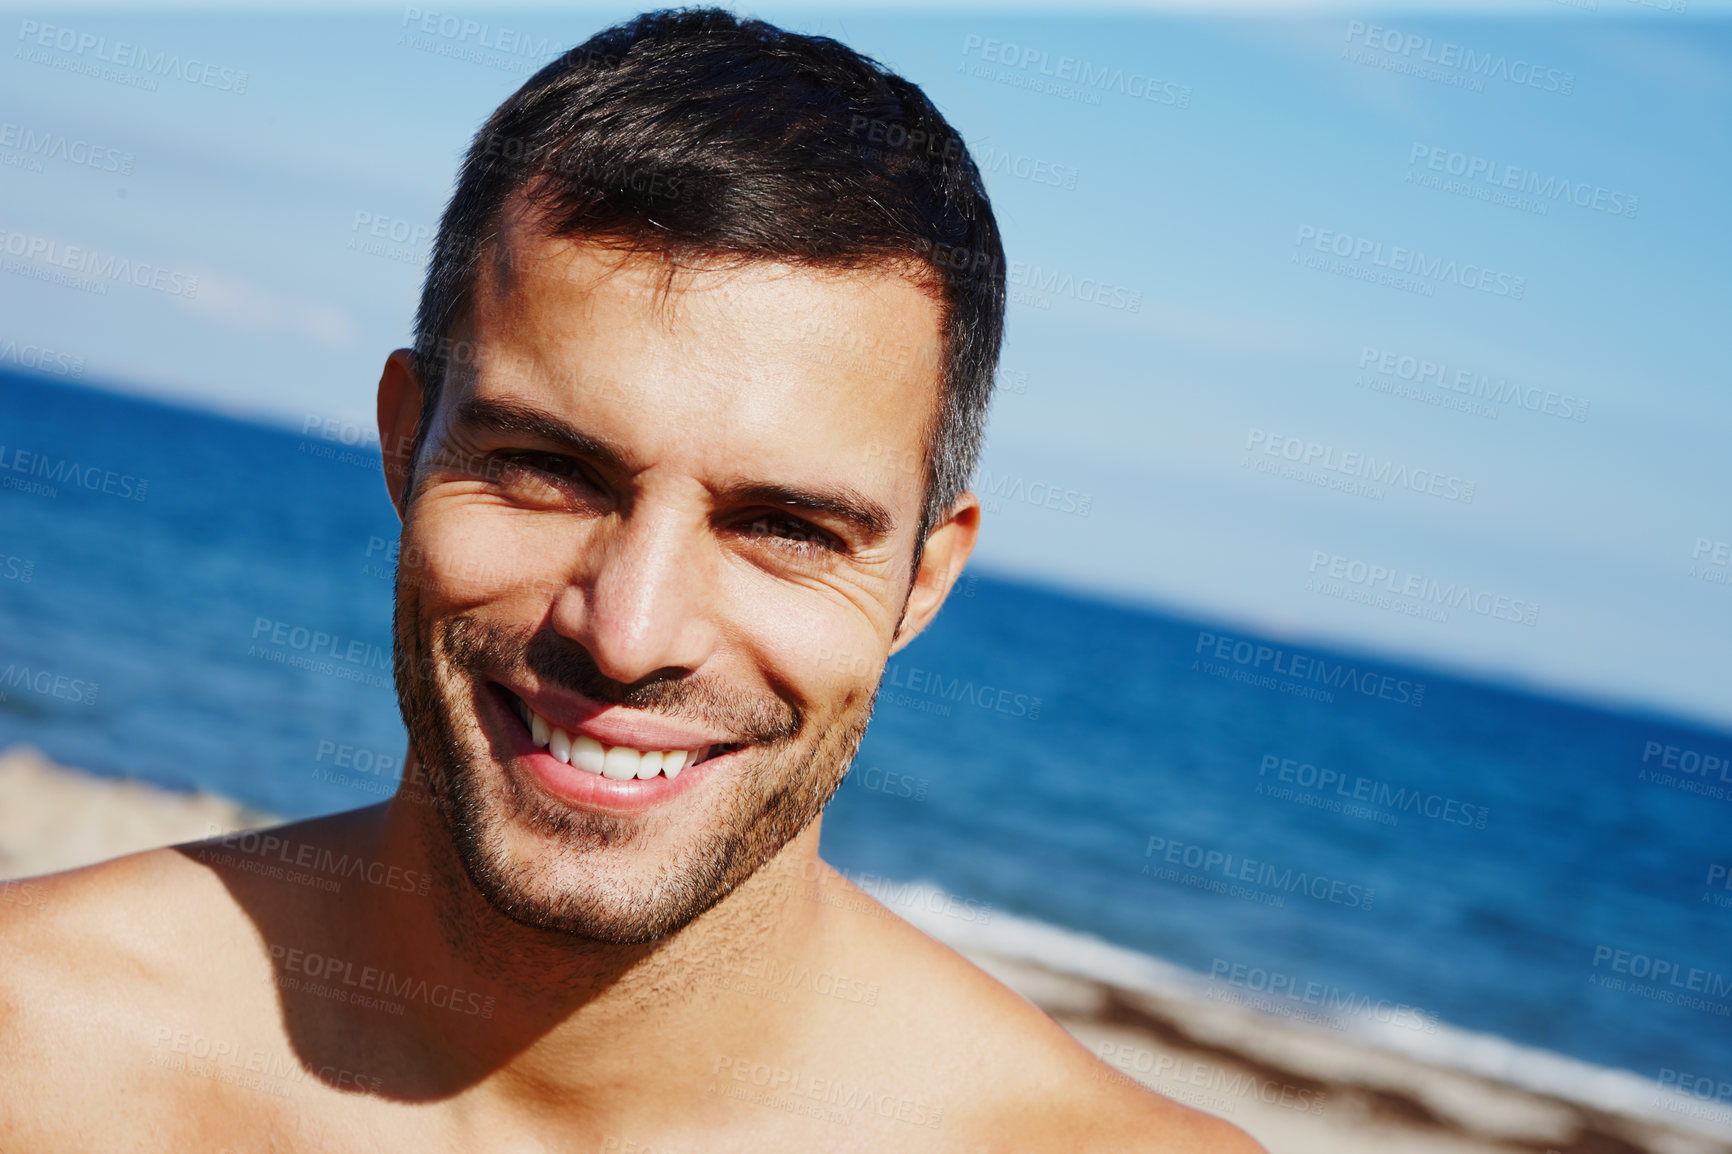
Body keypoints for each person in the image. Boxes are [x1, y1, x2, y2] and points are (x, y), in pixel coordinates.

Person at [0, 11, 1261, 1151]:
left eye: (787, 526)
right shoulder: (34, 1051)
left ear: (923, 581)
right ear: (404, 438)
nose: (626, 632)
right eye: (548, 468)